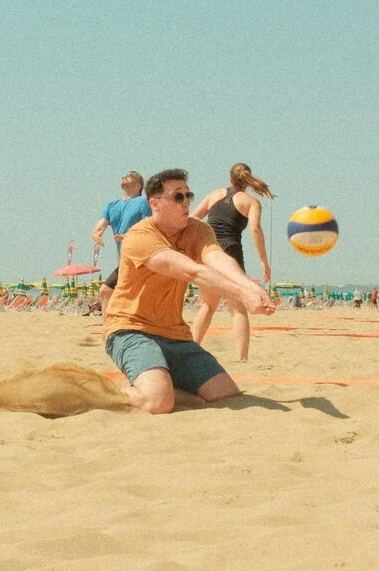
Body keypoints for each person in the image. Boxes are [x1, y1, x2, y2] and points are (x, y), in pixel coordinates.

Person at [105, 169, 274, 414]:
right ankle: (106, 392)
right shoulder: (140, 236)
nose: (186, 202)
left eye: (188, 195)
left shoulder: (197, 229)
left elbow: (217, 258)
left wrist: (250, 286)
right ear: (155, 203)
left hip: (176, 335)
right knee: (158, 403)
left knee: (225, 394)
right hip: (132, 330)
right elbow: (193, 271)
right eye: (178, 197)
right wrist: (241, 293)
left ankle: (161, 381)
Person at [188, 163, 273, 360]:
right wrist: (263, 261)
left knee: (208, 305)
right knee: (237, 308)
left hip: (207, 250)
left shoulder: (214, 194)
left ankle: (192, 351)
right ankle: (242, 358)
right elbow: (255, 230)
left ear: (229, 178)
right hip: (230, 251)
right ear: (248, 181)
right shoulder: (250, 202)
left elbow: (192, 218)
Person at [91, 170, 151, 310]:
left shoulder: (142, 203)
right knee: (106, 292)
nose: (125, 176)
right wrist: (96, 234)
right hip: (124, 261)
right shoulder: (112, 205)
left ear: (138, 186)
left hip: (141, 260)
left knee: (135, 296)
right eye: (124, 175)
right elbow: (101, 225)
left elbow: (149, 227)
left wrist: (130, 234)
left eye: (130, 176)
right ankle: (108, 331)